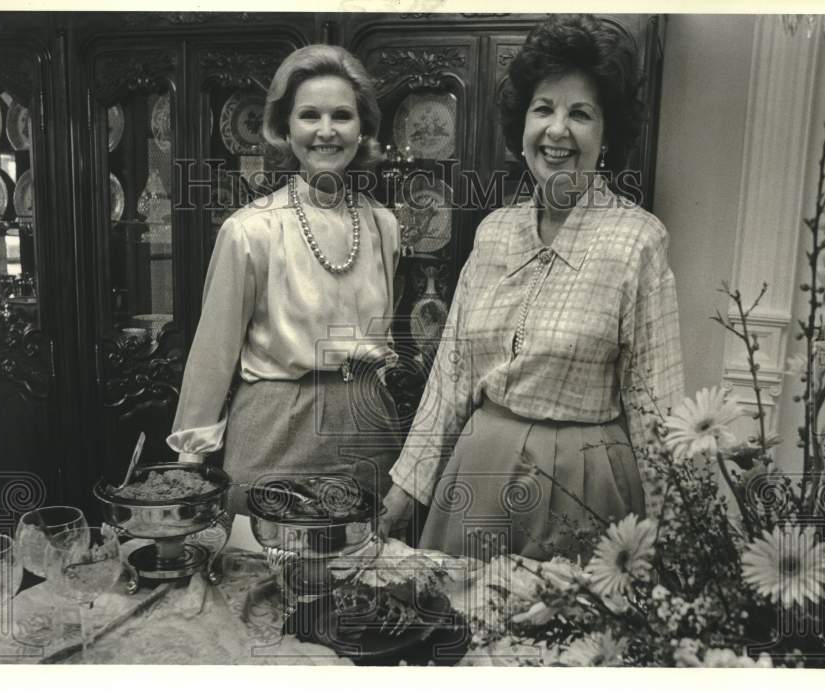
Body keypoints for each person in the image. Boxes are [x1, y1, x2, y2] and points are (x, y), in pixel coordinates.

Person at [378, 14, 683, 561]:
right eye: (543, 109)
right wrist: (404, 492)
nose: (558, 130)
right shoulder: (494, 232)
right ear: (522, 126)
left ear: (607, 134)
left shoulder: (639, 240)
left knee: (567, 638)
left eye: (581, 114)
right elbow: (451, 377)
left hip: (586, 488)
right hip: (480, 475)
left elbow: (654, 405)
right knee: (463, 633)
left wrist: (679, 530)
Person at [167, 45, 402, 515]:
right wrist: (188, 468)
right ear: (285, 129)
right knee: (261, 577)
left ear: (363, 129)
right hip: (275, 427)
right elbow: (213, 354)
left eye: (342, 115)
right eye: (309, 115)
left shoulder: (384, 225)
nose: (326, 131)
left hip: (369, 427)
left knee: (364, 576)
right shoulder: (250, 229)